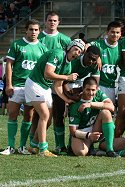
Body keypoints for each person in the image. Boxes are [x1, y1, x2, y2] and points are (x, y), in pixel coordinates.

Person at [24, 39, 85, 157]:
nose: (77, 53)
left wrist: (67, 100)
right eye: (75, 49)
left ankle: (34, 145)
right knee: (44, 115)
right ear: (69, 48)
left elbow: (57, 87)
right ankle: (43, 149)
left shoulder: (68, 66)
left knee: (48, 119)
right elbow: (48, 73)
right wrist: (67, 77)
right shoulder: (58, 54)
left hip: (45, 87)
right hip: (34, 84)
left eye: (80, 52)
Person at [0, 19, 48, 155]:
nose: (33, 32)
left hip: (33, 86)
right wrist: (8, 84)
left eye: (36, 30)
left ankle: (22, 147)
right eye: (31, 29)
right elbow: (9, 65)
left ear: (39, 31)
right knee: (13, 114)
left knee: (28, 116)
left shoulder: (43, 48)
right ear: (26, 30)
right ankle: (10, 146)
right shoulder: (17, 45)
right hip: (17, 85)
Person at [38, 11, 72, 153]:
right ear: (45, 21)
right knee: (37, 115)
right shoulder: (38, 37)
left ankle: (60, 146)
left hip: (57, 82)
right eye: (50, 20)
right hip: (40, 80)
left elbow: (77, 50)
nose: (52, 23)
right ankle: (34, 144)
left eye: (55, 20)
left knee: (59, 114)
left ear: (59, 22)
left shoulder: (64, 39)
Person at [68, 77, 118, 157]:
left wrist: (91, 104)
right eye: (88, 89)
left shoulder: (99, 94)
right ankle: (90, 149)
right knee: (81, 153)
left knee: (106, 112)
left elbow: (112, 107)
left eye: (93, 90)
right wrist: (88, 135)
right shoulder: (76, 104)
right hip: (81, 133)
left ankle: (110, 150)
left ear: (97, 89)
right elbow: (73, 131)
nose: (91, 93)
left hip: (95, 128)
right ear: (83, 89)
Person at [87, 21, 122, 104]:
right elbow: (87, 46)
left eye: (117, 32)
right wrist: (97, 57)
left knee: (108, 112)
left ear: (120, 34)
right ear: (107, 32)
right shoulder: (99, 44)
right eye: (112, 32)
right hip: (98, 84)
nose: (115, 35)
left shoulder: (121, 47)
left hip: (111, 85)